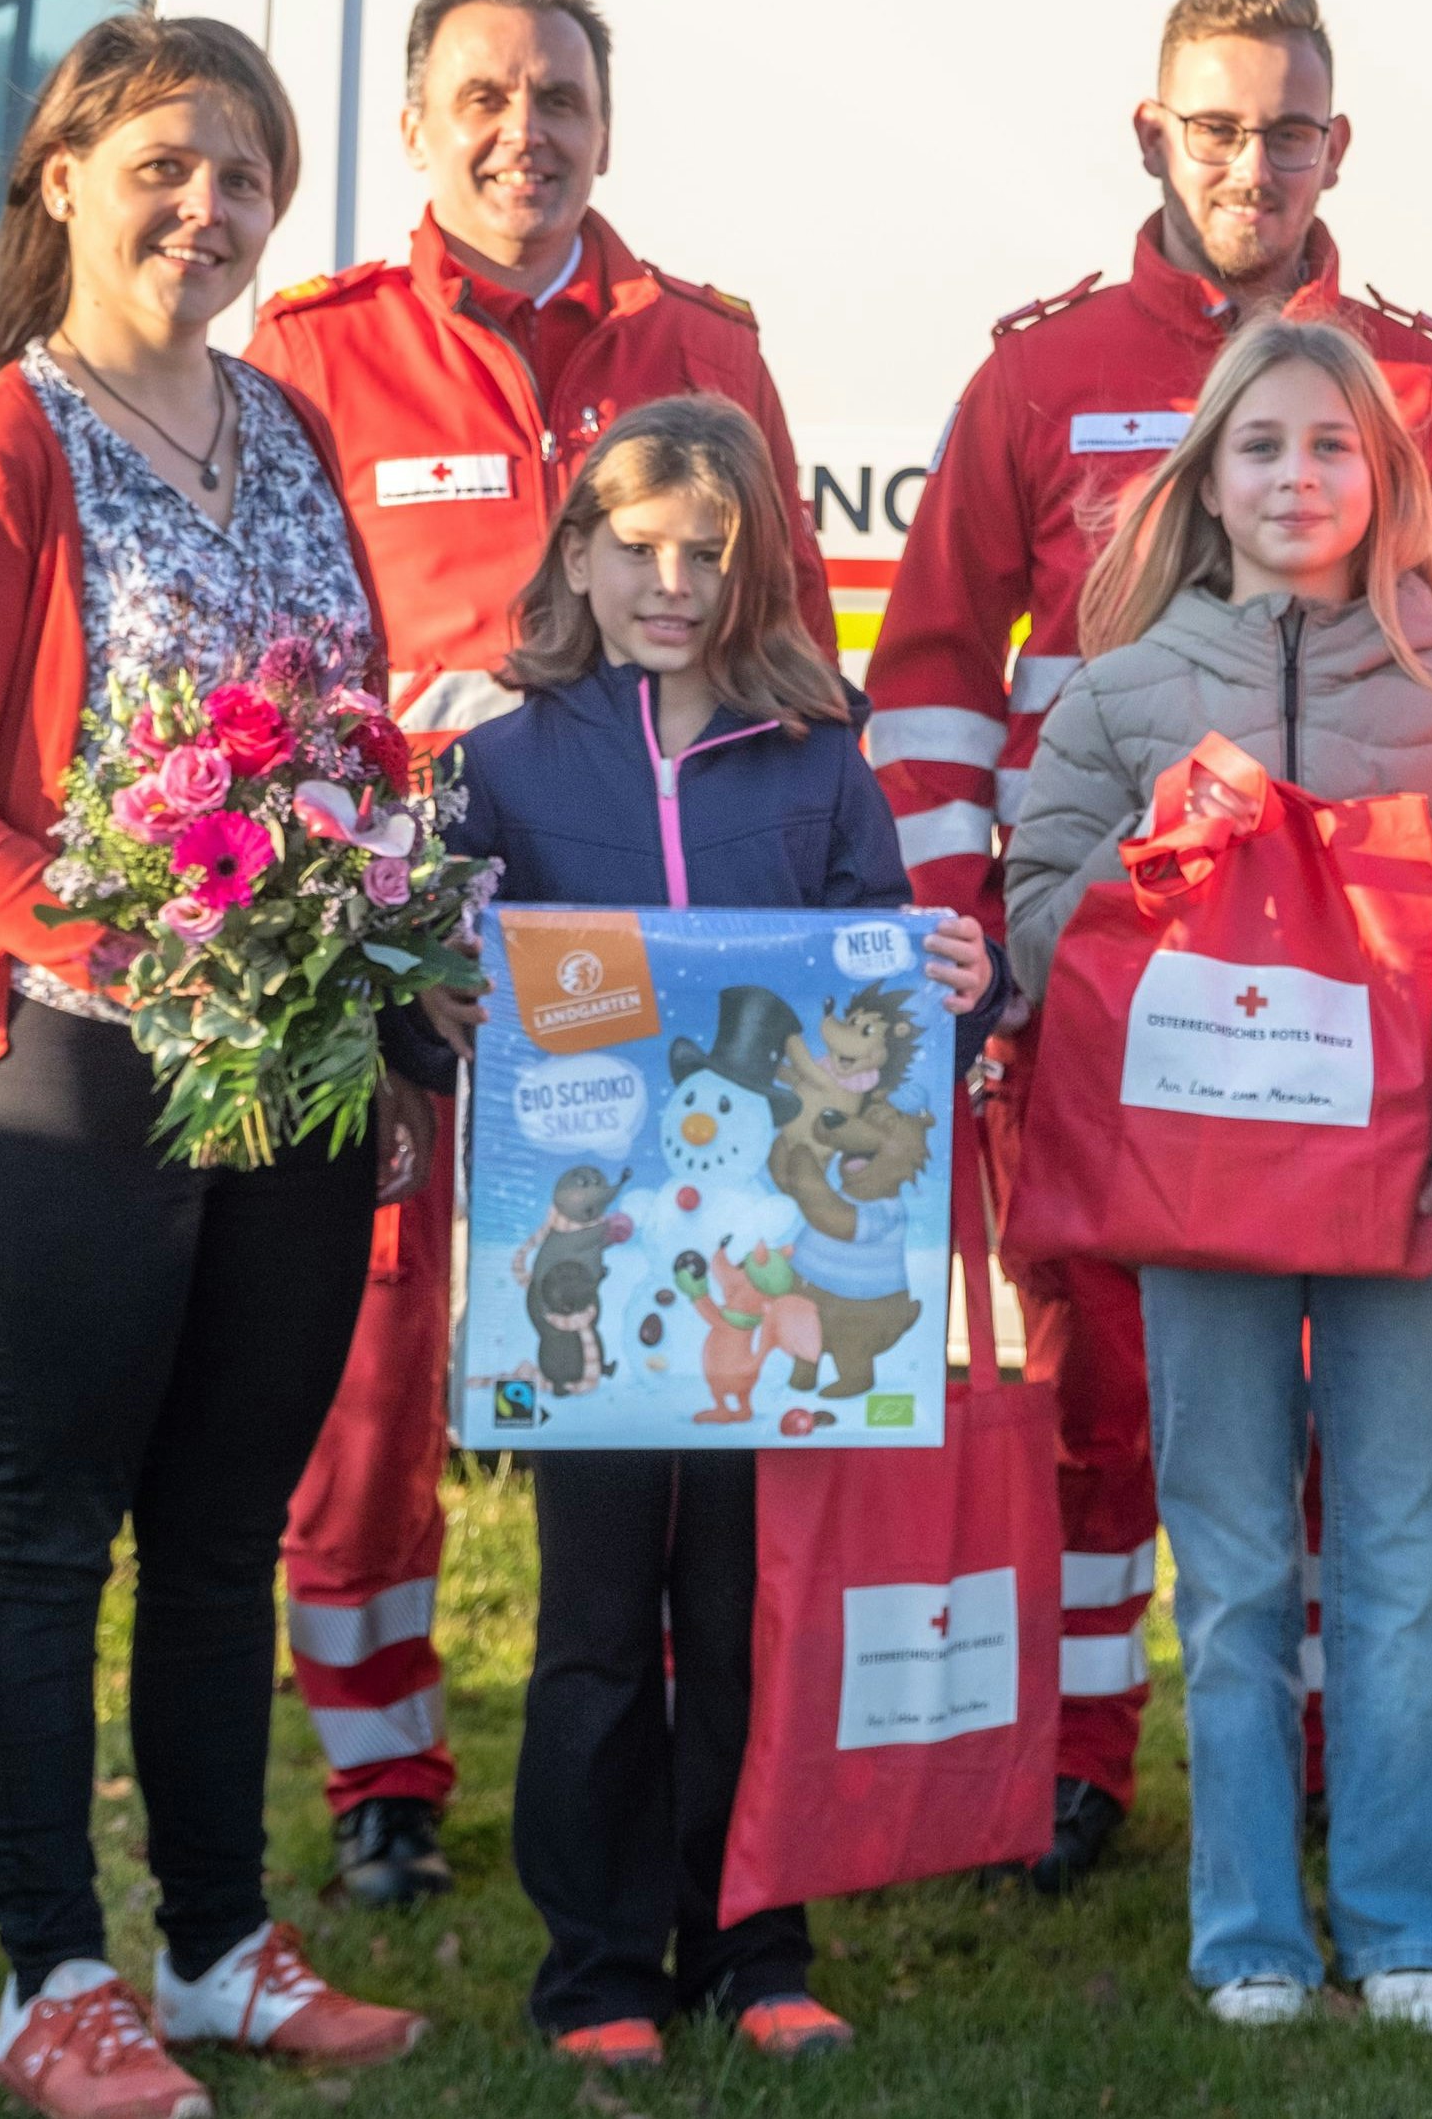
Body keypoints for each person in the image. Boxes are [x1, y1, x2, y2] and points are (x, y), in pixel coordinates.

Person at [865, 0, 1432, 1895]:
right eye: (1215, 124)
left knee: (1358, 1436)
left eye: (1290, 128)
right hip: (1130, 1025)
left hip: (1379, 1044)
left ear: (1339, 145)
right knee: (1115, 1390)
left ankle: (1344, 1754)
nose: (1252, 161)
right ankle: (1086, 1754)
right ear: (1153, 137)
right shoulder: (1039, 371)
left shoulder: (1417, 386)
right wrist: (985, 960)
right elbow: (929, 694)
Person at [0, 13, 433, 2116]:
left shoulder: (281, 432)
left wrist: (371, 1000)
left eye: (245, 177)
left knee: (218, 1531)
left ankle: (209, 1947)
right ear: (65, 178)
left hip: (287, 1077)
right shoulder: (1, 446)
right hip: (65, 1080)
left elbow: (357, 739)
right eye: (167, 166)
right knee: (46, 1527)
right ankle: (46, 1982)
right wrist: (144, 952)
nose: (207, 208)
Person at [241, 0, 840, 1901]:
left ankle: (665, 1760)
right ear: (412, 130)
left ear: (606, 122)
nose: (525, 134)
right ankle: (381, 1780)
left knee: (662, 1345)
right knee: (375, 1353)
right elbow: (276, 661)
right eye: (482, 99)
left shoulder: (700, 342)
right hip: (421, 957)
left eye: (560, 99)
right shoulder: (319, 347)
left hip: (653, 977)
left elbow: (788, 642)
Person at [441, 395, 1012, 2067]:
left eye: (709, 552)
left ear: (761, 569)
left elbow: (883, 1039)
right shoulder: (502, 764)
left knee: (759, 1611)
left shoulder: (823, 768)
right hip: (590, 1295)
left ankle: (757, 1942)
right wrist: (443, 992)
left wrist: (958, 992)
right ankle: (602, 1969)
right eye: (636, 549)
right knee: (599, 1628)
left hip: (778, 1290)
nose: (671, 583)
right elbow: (435, 1021)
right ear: (578, 557)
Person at [1004, 315, 1432, 2035]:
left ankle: (1409, 1932)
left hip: (1407, 1203)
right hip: (1198, 1201)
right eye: (1263, 448)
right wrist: (1173, 882)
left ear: (1382, 479)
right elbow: (1037, 929)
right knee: (1232, 1564)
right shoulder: (1116, 694)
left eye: (1333, 445)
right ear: (1206, 484)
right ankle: (1246, 1933)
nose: (1298, 476)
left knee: (1404, 1561)